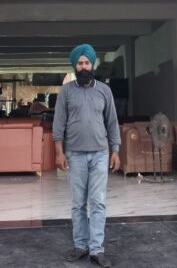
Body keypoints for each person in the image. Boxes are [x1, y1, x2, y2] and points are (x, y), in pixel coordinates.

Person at [53, 44, 121, 267]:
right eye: (80, 63)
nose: (83, 67)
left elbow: (112, 121)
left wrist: (115, 151)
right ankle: (81, 246)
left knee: (98, 202)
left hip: (101, 153)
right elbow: (58, 124)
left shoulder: (104, 90)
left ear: (92, 65)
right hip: (75, 154)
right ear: (75, 66)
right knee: (78, 204)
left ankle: (97, 249)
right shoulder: (66, 92)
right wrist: (59, 152)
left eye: (87, 63)